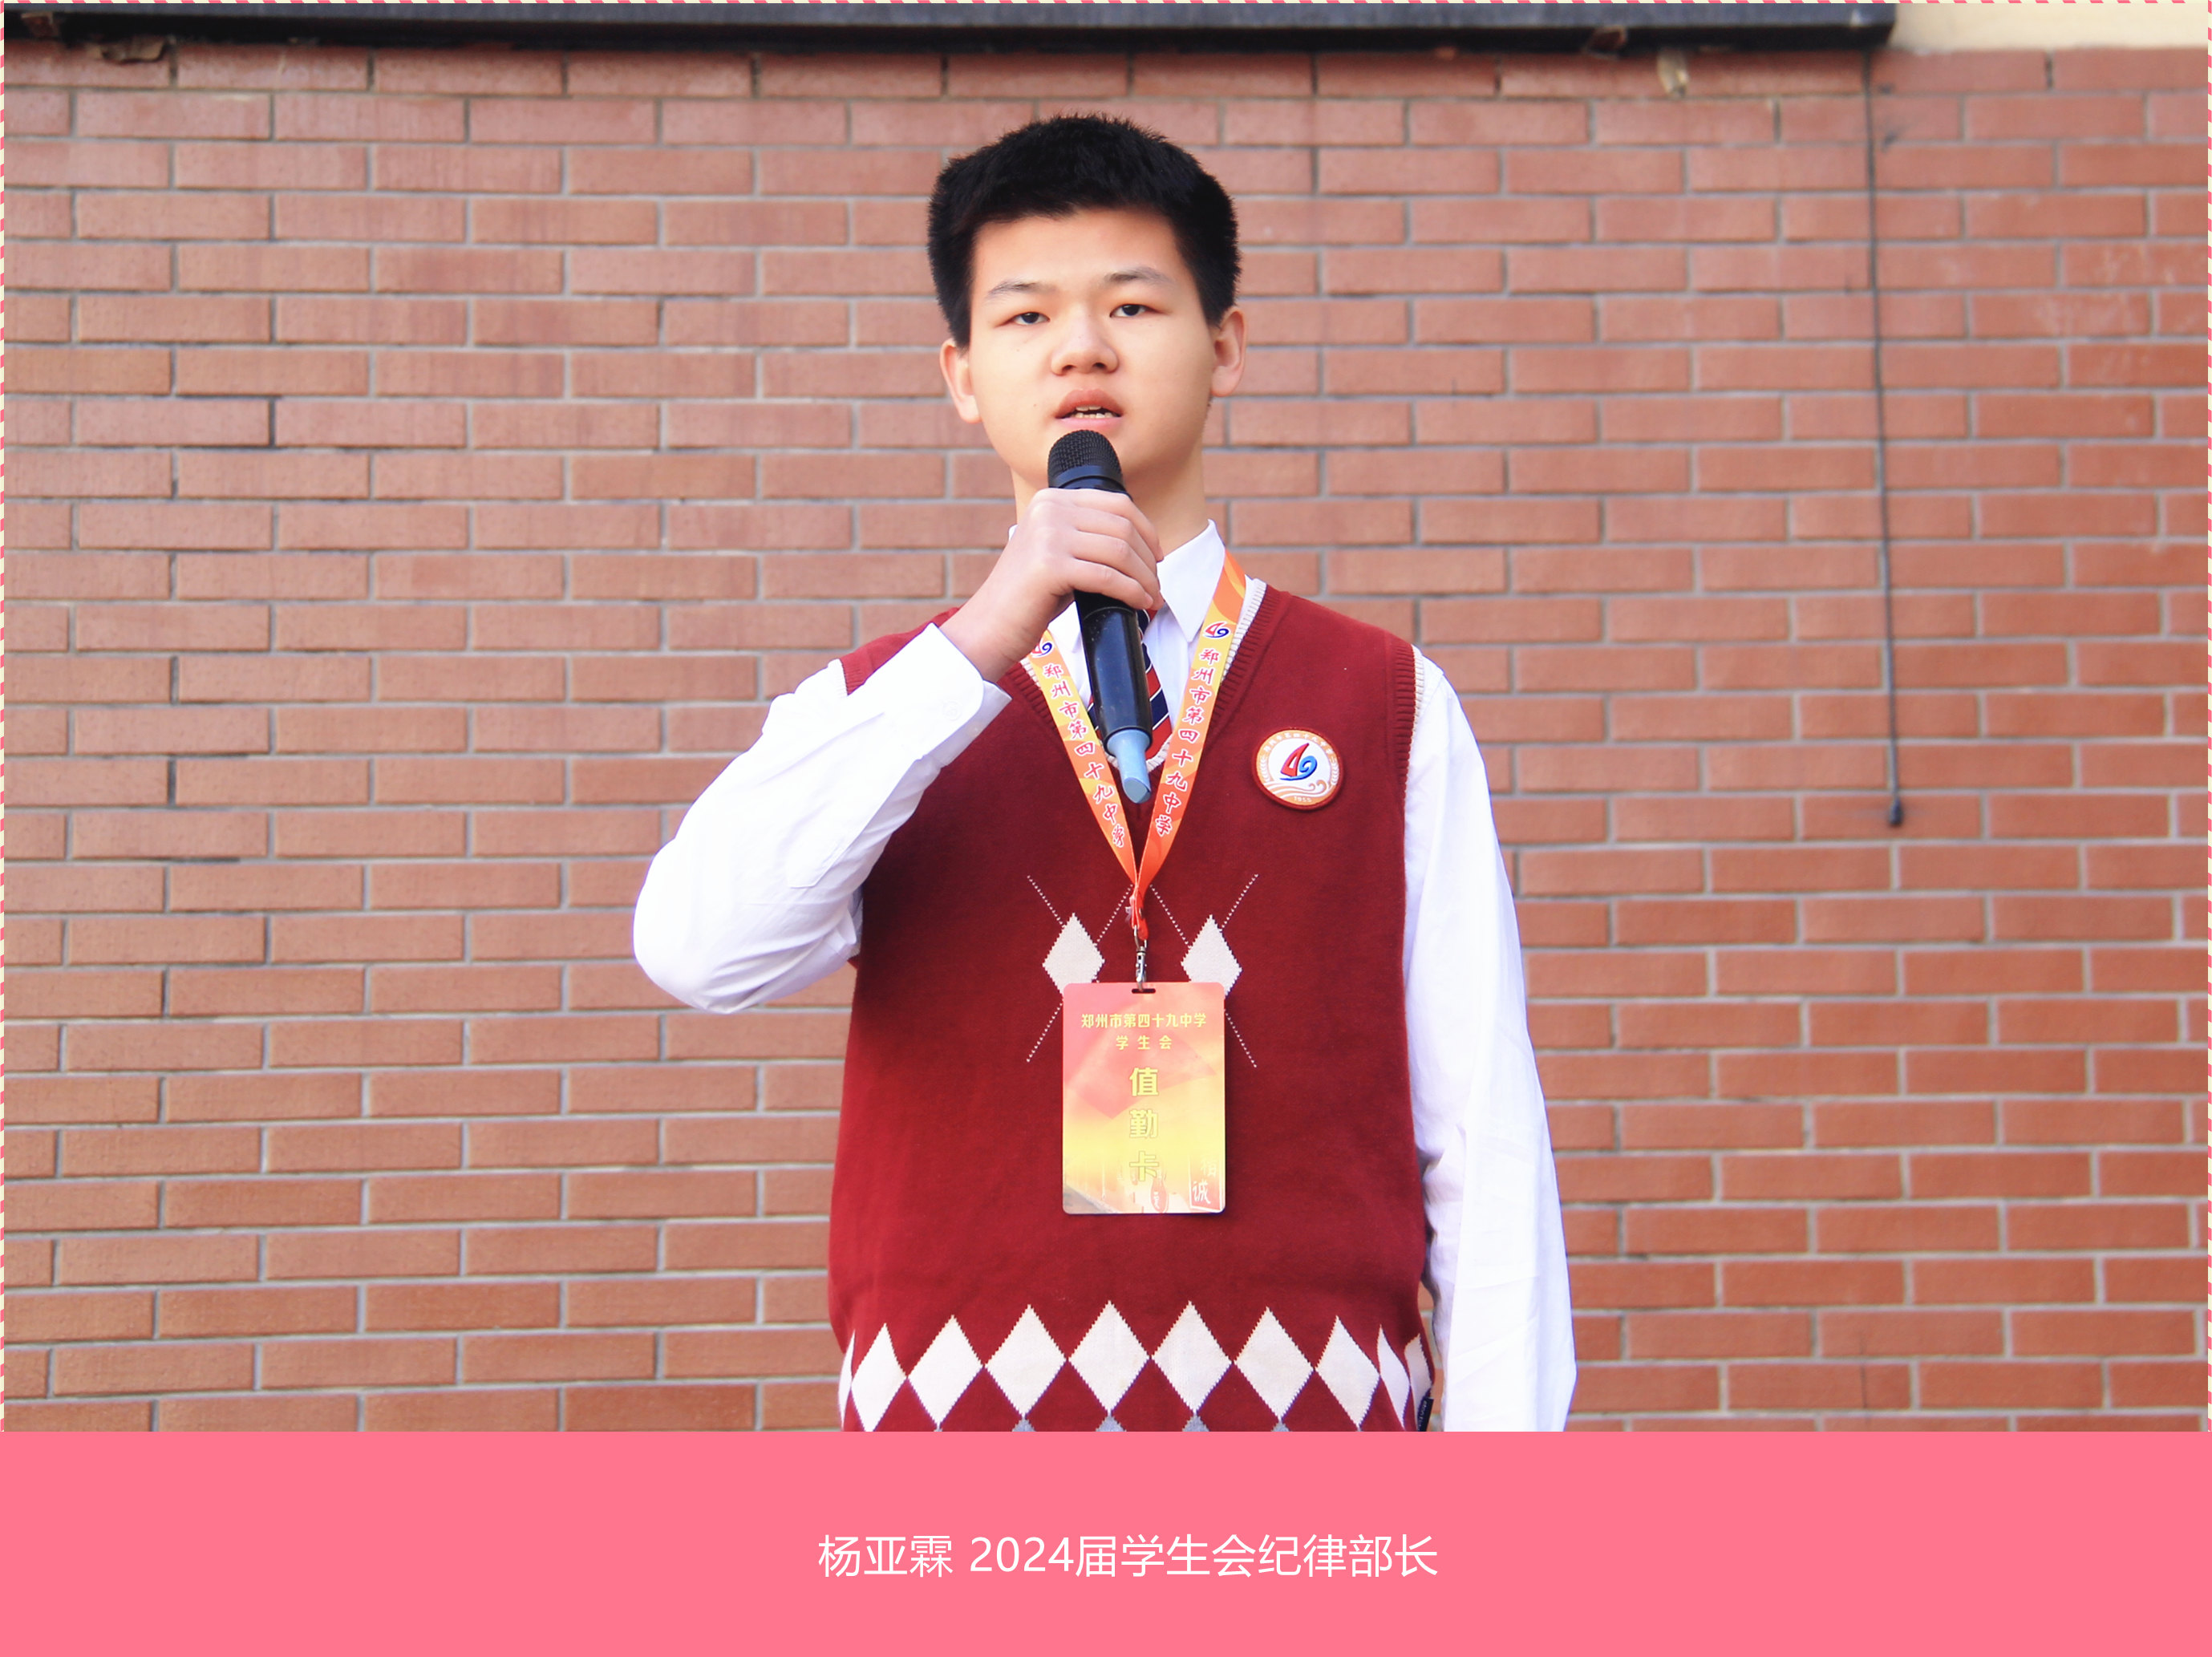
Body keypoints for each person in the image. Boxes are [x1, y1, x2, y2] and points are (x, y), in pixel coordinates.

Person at [634, 115, 1573, 1432]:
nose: (1081, 346)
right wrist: (977, 646)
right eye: (1025, 317)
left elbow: (1481, 1129)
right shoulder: (883, 708)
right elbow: (698, 950)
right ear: (962, 376)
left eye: (1131, 303)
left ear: (1224, 346)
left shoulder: (1384, 699)